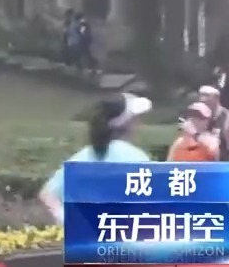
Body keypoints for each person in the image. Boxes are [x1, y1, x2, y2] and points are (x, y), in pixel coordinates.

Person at [40, 94, 153, 223]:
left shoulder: (84, 155)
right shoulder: (136, 157)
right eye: (136, 119)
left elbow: (47, 194)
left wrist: (67, 220)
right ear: (126, 123)